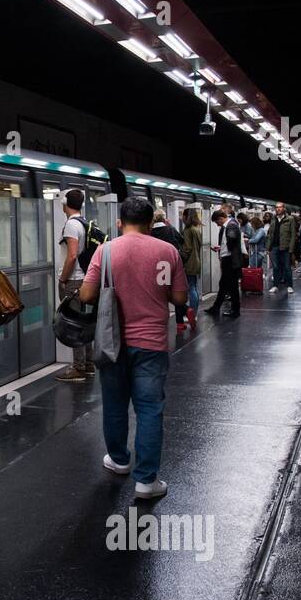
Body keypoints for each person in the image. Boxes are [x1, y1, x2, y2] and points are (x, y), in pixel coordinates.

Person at [79, 196, 187, 500]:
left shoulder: (107, 250)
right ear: (152, 222)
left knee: (114, 404)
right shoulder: (168, 251)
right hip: (152, 343)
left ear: (119, 222)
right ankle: (146, 481)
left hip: (113, 343)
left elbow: (87, 295)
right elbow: (179, 298)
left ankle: (119, 460)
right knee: (150, 409)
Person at [56, 189, 106, 382]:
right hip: (86, 278)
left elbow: (72, 255)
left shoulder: (71, 225)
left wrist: (62, 280)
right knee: (83, 322)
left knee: (73, 324)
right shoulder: (84, 223)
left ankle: (78, 368)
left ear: (65, 203)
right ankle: (89, 364)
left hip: (74, 280)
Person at [150, 209, 187, 330]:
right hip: (172, 264)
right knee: (176, 291)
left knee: (160, 293)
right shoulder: (170, 229)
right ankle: (180, 322)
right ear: (164, 218)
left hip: (156, 267)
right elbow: (181, 240)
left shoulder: (150, 231)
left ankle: (159, 321)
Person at [207, 208, 243, 318]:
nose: (218, 225)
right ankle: (216, 307)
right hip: (229, 259)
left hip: (230, 260)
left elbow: (231, 242)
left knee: (231, 286)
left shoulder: (231, 225)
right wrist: (221, 247)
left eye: (217, 222)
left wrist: (224, 249)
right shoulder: (229, 225)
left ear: (220, 218)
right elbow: (227, 242)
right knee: (224, 285)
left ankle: (235, 310)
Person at [268, 202, 299, 294]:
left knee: (287, 267)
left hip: (285, 247)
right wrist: (268, 247)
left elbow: (293, 234)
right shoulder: (273, 219)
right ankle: (275, 285)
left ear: (284, 208)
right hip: (274, 246)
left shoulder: (290, 219)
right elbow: (270, 233)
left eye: (280, 207)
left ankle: (289, 286)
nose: (278, 209)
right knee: (276, 267)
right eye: (277, 207)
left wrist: (291, 248)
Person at [179, 207, 203, 328]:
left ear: (186, 217)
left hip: (189, 262)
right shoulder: (196, 229)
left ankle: (192, 313)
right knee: (194, 287)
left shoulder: (188, 230)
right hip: (196, 261)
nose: (181, 218)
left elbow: (187, 248)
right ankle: (195, 313)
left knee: (191, 288)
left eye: (182, 216)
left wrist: (179, 256)